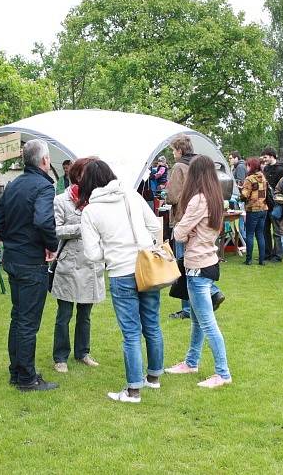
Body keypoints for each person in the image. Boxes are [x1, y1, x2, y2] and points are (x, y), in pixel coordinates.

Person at [81, 160, 164, 403]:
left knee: (130, 333)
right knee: (152, 323)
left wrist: (110, 253)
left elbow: (92, 254)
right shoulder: (131, 195)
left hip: (120, 271)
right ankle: (154, 377)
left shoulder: (91, 211)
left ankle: (133, 390)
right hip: (146, 266)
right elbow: (153, 225)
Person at [0, 139, 59, 392]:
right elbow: (43, 221)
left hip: (14, 257)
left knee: (18, 317)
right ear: (44, 161)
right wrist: (50, 245)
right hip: (30, 261)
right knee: (27, 321)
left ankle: (17, 371)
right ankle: (26, 378)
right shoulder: (43, 186)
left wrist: (15, 240)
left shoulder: (13, 185)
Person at [165, 155, 232, 388]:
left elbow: (178, 233)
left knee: (206, 322)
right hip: (208, 261)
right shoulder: (215, 198)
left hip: (198, 266)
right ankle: (191, 362)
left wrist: (186, 232)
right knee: (197, 319)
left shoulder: (197, 200)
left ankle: (222, 373)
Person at [51, 157, 105, 373]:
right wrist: (80, 227)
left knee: (86, 313)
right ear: (76, 175)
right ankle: (60, 357)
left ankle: (83, 352)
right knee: (64, 314)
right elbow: (55, 229)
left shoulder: (98, 199)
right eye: (85, 173)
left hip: (91, 263)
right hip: (69, 264)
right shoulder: (60, 200)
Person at [166, 135, 224, 318]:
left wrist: (167, 197)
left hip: (186, 217)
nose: (174, 154)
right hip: (205, 220)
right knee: (201, 254)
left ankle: (188, 308)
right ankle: (212, 291)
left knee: (184, 265)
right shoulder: (200, 163)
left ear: (180, 150)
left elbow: (173, 195)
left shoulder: (179, 167)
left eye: (174, 150)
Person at [239, 157, 268, 265]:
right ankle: (262, 260)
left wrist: (240, 191)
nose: (246, 167)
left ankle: (249, 260)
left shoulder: (249, 179)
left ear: (251, 166)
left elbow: (245, 195)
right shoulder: (263, 177)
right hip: (263, 209)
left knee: (250, 234)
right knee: (260, 234)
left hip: (253, 209)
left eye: (247, 165)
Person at [261, 148, 283, 262]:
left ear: (272, 156)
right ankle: (267, 253)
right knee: (265, 229)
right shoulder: (266, 168)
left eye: (265, 157)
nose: (264, 159)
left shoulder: (281, 170)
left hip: (276, 204)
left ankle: (278, 255)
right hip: (266, 203)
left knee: (277, 231)